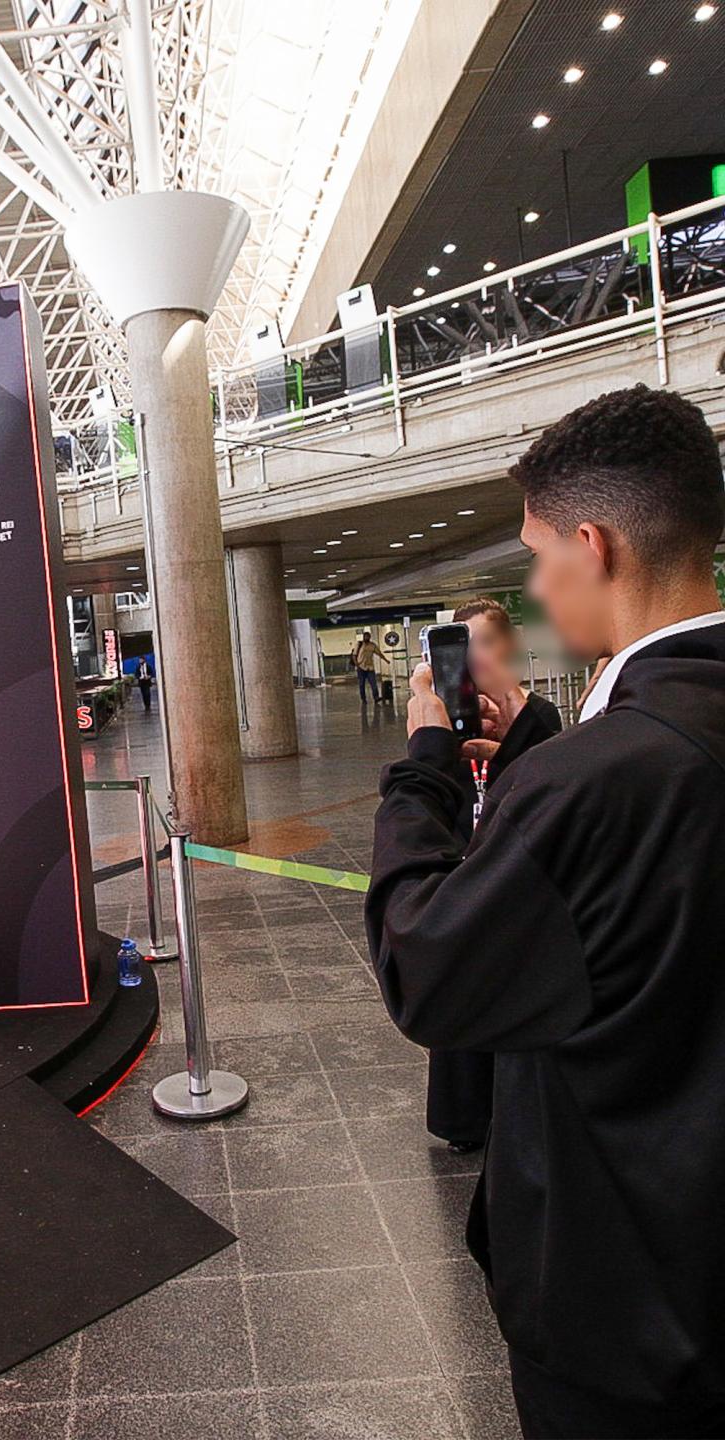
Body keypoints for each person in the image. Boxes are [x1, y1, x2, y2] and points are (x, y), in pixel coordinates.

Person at [366, 385, 725, 1439]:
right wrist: (532, 750)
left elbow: (428, 967)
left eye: (537, 554)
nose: (534, 583)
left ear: (593, 546)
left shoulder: (593, 780)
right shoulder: (623, 754)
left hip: (627, 1305)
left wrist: (423, 770)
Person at [424, 597, 561, 1154]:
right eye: (463, 647)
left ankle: (521, 1111)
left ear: (508, 646)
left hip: (520, 876)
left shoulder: (538, 718)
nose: (474, 658)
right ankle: (464, 1117)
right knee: (463, 990)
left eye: (483, 642)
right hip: (464, 870)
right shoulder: (447, 723)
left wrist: (510, 737)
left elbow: (550, 789)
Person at [350, 631, 381, 703]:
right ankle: (363, 698)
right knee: (361, 684)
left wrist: (386, 660)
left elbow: (379, 653)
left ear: (370, 637)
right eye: (365, 636)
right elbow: (354, 655)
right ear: (363, 637)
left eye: (368, 636)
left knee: (373, 683)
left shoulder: (372, 645)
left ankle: (376, 697)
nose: (366, 638)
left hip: (370, 667)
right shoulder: (359, 644)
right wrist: (356, 664)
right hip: (361, 667)